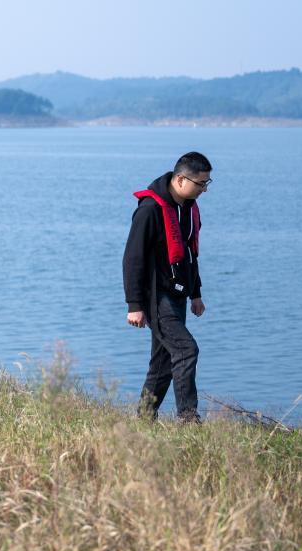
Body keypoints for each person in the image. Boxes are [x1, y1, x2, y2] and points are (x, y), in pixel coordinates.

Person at [122, 152, 212, 422]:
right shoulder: (150, 210)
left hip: (178, 294)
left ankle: (144, 419)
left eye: (207, 183)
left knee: (163, 363)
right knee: (186, 349)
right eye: (201, 183)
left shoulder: (188, 208)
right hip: (154, 297)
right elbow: (132, 258)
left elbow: (190, 253)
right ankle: (188, 419)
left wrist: (196, 294)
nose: (205, 189)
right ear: (181, 180)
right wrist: (134, 305)